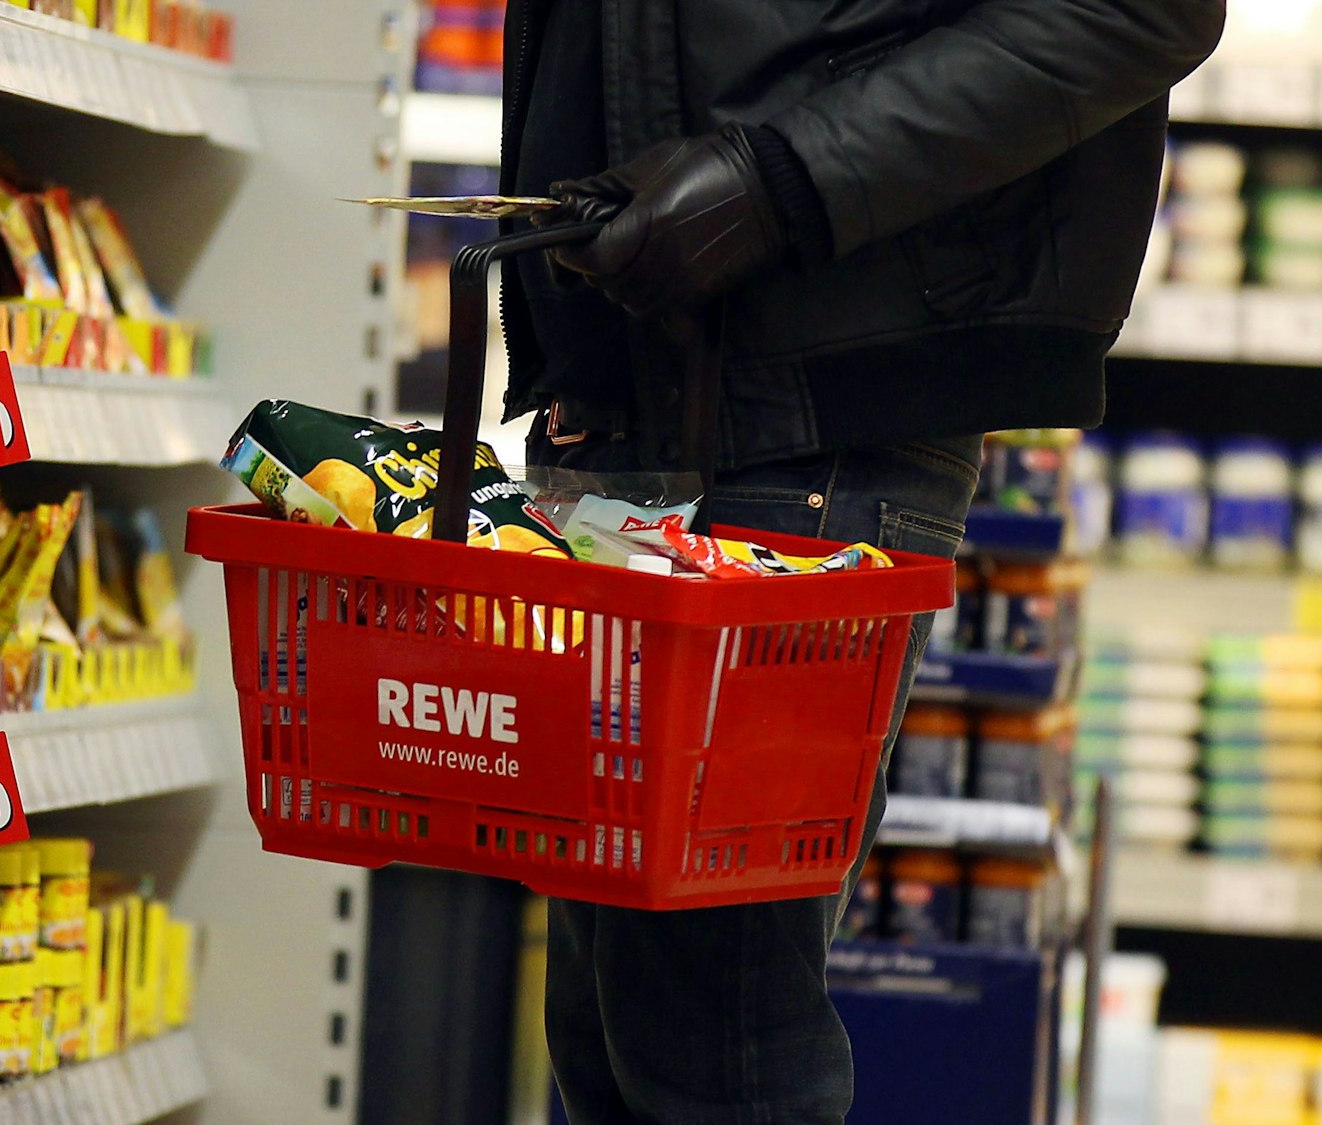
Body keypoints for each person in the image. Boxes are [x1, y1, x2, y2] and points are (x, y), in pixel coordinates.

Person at [504, 1, 1224, 1121]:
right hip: (645, 389)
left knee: (716, 1047)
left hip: (817, 391)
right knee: (613, 1039)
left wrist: (776, 183)